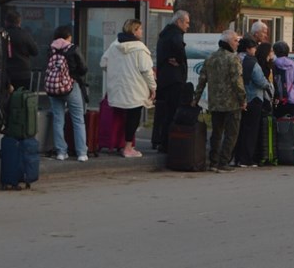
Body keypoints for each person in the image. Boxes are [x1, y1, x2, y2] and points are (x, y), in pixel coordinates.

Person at [100, 19, 156, 158]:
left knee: (119, 117)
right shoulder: (140, 49)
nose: (142, 31)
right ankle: (128, 147)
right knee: (133, 117)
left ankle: (117, 145)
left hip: (118, 89)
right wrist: (153, 87)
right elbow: (146, 71)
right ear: (134, 30)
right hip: (135, 90)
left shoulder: (114, 45)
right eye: (140, 29)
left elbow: (103, 63)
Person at [192, 30, 246, 172]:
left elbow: (201, 80)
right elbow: (237, 82)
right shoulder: (233, 59)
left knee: (216, 133)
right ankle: (224, 162)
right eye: (235, 40)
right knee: (231, 133)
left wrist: (196, 99)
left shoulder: (210, 58)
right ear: (228, 42)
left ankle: (213, 162)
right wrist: (243, 99)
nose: (237, 43)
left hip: (215, 103)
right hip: (231, 103)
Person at [47, 26, 90, 162]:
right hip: (71, 86)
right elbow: (83, 68)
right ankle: (81, 153)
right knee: (78, 119)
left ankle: (61, 152)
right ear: (68, 37)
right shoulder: (72, 49)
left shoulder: (51, 49)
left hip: (54, 88)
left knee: (58, 119)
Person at [152, 10, 190, 153]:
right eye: (186, 22)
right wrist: (180, 61)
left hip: (165, 79)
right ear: (179, 21)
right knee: (172, 113)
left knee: (164, 112)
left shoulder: (164, 34)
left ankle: (160, 141)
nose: (188, 26)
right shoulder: (175, 35)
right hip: (174, 80)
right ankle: (167, 144)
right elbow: (179, 50)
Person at [234, 37, 272, 167]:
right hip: (253, 97)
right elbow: (260, 81)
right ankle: (247, 159)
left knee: (239, 129)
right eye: (254, 47)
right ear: (248, 48)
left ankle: (236, 157)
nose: (256, 50)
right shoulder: (252, 62)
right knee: (251, 130)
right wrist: (268, 84)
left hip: (237, 98)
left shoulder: (234, 59)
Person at [4, 11, 38, 90]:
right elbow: (35, 52)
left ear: (6, 22)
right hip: (23, 73)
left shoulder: (2, 34)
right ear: (19, 22)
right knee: (22, 98)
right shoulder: (25, 35)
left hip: (6, 74)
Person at [271, 41, 294, 117]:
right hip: (292, 98)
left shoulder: (273, 64)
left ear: (275, 52)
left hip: (277, 98)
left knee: (277, 121)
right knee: (290, 123)